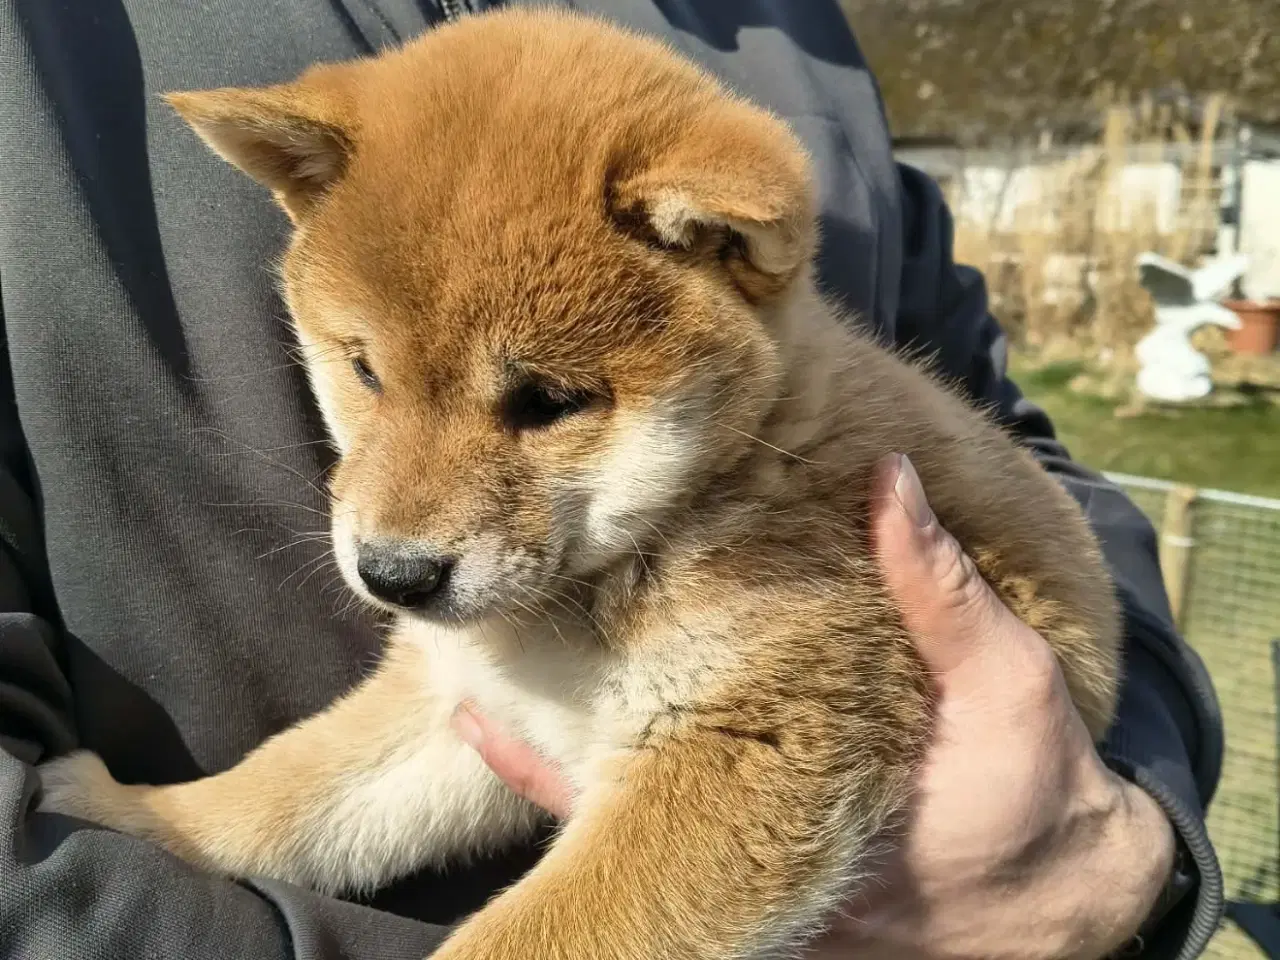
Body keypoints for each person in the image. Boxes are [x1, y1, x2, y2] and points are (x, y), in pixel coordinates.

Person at [0, 1, 1222, 958]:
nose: (399, 525)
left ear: (725, 252)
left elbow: (736, 795)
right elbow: (441, 726)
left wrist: (1131, 862)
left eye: (544, 404)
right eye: (364, 371)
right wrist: (192, 831)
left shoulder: (782, 506)